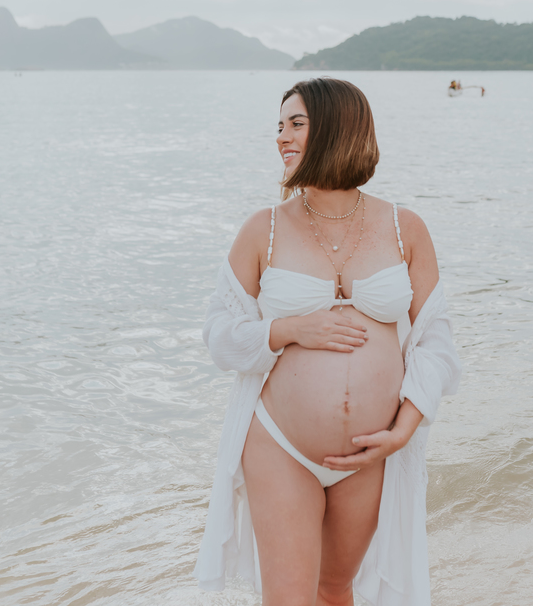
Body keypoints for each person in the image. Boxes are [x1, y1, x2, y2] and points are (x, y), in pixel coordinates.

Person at [194, 77, 462, 606]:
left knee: (336, 590)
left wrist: (404, 429)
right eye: (278, 126)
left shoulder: (404, 227)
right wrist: (288, 329)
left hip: (372, 449)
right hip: (280, 444)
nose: (281, 138)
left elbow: (436, 342)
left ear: (338, 128)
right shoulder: (262, 230)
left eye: (296, 124)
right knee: (291, 599)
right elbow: (219, 335)